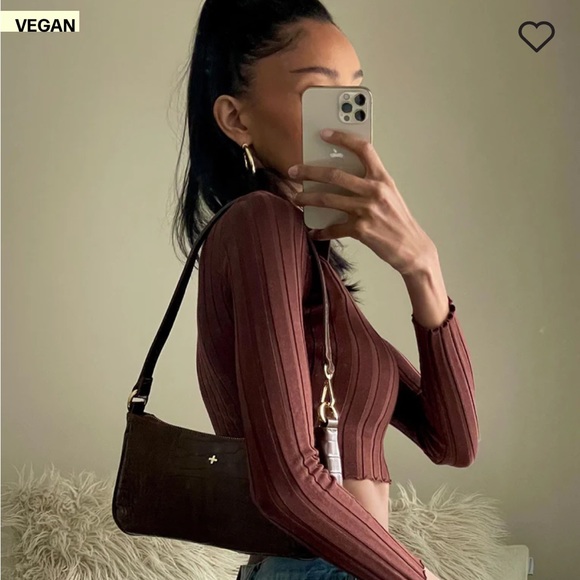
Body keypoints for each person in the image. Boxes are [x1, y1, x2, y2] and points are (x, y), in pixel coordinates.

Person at [171, 1, 480, 578]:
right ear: (236, 119)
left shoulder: (307, 258)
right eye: (318, 93)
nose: (341, 122)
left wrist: (422, 267)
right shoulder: (260, 223)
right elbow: (287, 482)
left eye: (352, 95)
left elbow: (454, 442)